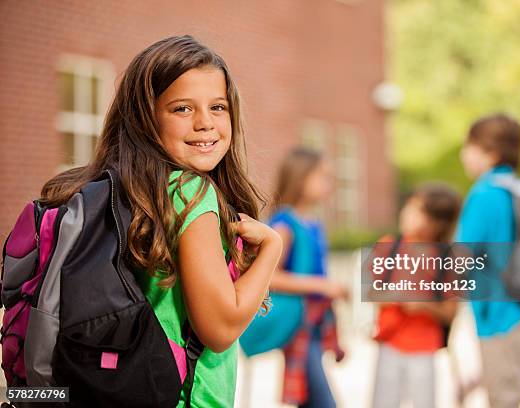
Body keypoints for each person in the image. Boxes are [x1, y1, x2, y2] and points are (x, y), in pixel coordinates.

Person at [39, 35, 282, 407]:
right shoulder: (190, 193)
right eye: (182, 109)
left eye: (218, 107)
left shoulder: (121, 189)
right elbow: (219, 329)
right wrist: (271, 248)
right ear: (145, 118)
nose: (205, 123)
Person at [455, 113, 520, 408]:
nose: (464, 153)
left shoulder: (486, 194)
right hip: (519, 311)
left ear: (491, 152)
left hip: (495, 317)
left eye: (470, 145)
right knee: (510, 395)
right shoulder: (516, 189)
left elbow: (460, 254)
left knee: (501, 399)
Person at [269, 147, 348, 408]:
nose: (330, 184)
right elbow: (268, 278)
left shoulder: (313, 223)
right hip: (296, 324)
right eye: (323, 176)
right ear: (301, 178)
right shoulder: (284, 225)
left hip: (314, 324)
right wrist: (322, 286)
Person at [371, 183, 460, 408]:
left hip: (424, 349)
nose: (407, 214)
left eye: (417, 211)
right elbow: (371, 293)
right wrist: (397, 295)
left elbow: (450, 313)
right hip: (389, 344)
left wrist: (423, 305)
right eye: (409, 207)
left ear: (437, 223)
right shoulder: (388, 247)